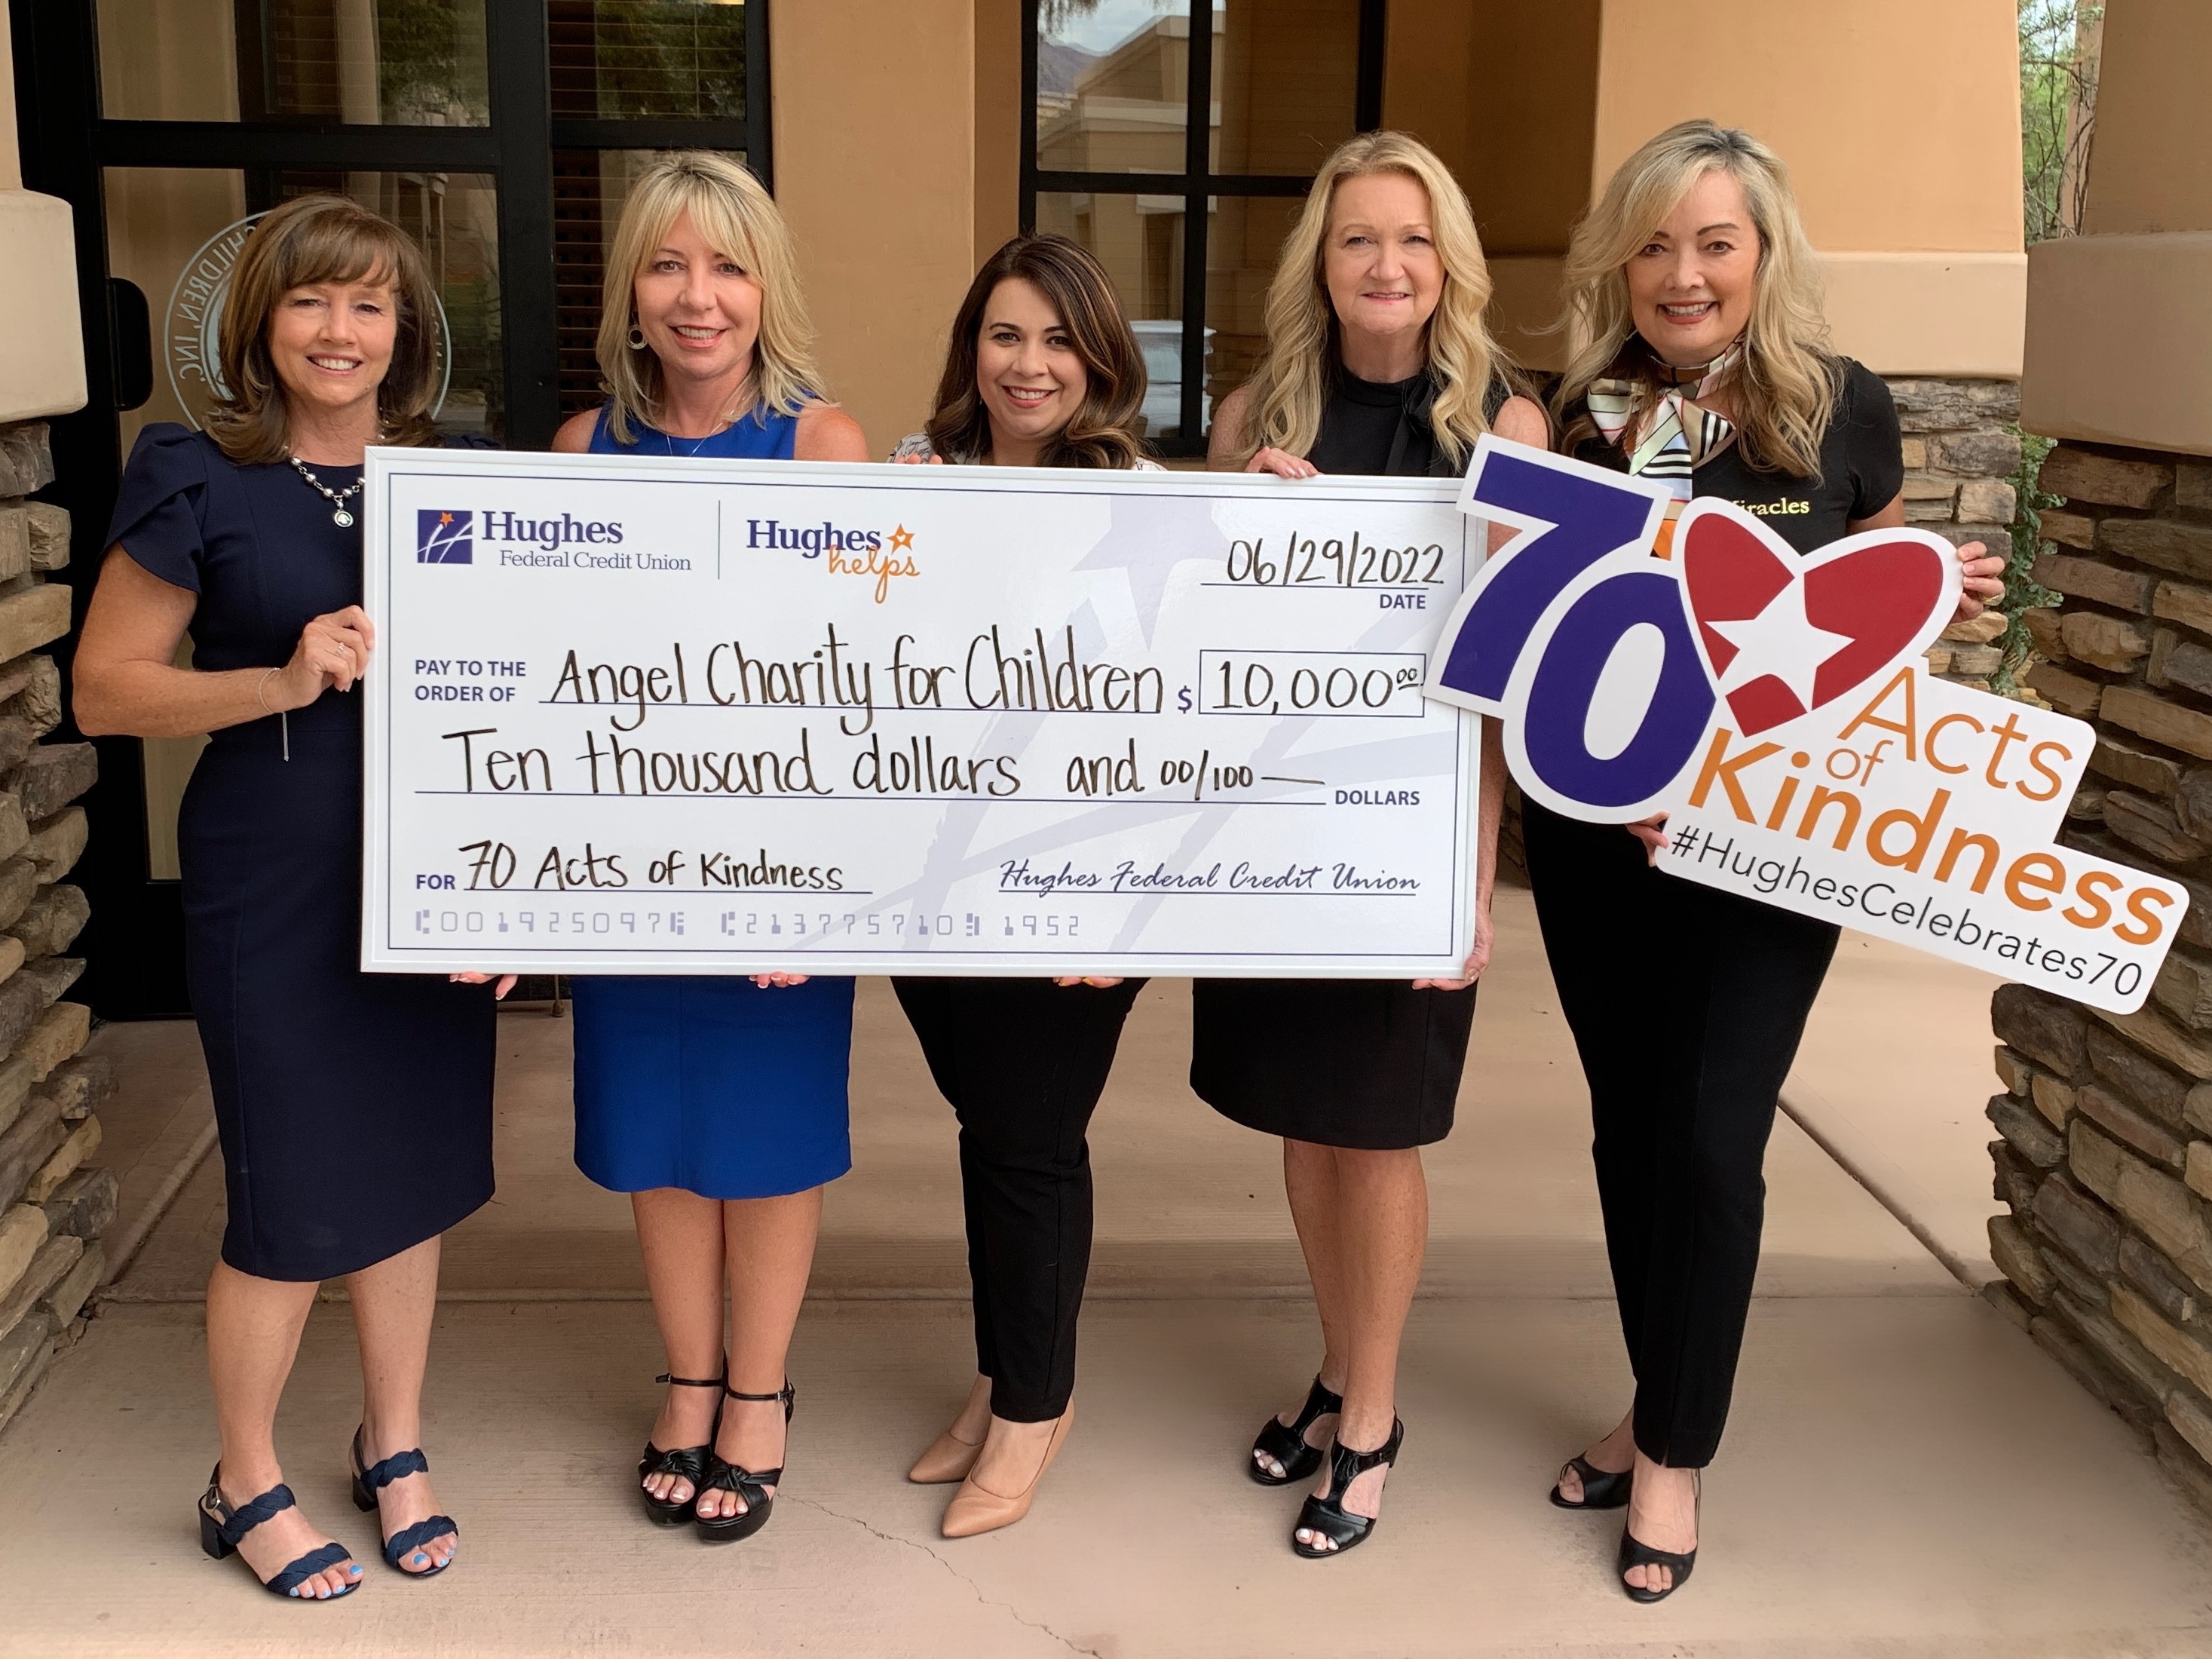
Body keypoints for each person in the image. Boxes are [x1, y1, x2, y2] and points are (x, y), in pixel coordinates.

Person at [1530, 118, 2007, 1602]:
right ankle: (1650, 1395)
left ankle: (1672, 1453)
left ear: (1762, 256)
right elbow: (1541, 626)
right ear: (1624, 256)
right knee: (1626, 1124)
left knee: (1713, 1131)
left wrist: (1937, 603)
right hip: (1603, 839)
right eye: (1658, 241)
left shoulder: (1835, 407)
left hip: (1771, 845)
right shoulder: (1586, 411)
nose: (1684, 272)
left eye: (1714, 241)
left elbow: (1875, 615)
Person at [75, 195, 506, 1599]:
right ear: (264, 322)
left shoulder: (462, 489)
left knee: (413, 1172)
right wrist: (278, 676)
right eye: (314, 301)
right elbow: (103, 689)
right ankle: (244, 1474)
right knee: (285, 1185)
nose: (341, 330)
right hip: (274, 877)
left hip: (434, 881)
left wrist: (515, 900)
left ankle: (396, 1440)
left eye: (370, 304)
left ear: (405, 331)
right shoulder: (195, 472)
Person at [1205, 131, 1545, 1559]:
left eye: (1411, 238)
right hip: (1273, 834)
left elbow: (1501, 686)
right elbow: (1195, 640)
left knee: (1381, 1131)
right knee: (1304, 1122)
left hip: (1405, 842)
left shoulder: (1505, 434)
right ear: (1321, 260)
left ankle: (1373, 1420)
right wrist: (1257, 545)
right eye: (1356, 239)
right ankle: (1336, 1363)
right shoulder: (1247, 418)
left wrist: (1469, 882)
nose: (1385, 264)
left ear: (1446, 260)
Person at [547, 152, 869, 1544]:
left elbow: (871, 678)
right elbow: (537, 670)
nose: (698, 296)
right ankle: (686, 1379)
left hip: (779, 865)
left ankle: (760, 1394)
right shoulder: (579, 450)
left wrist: (817, 892)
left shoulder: (822, 446)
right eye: (669, 264)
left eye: (727, 266)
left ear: (765, 289)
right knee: (658, 1139)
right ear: (630, 286)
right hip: (629, 860)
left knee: (768, 1135)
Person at [885, 233, 1160, 1538]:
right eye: (1006, 335)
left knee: (1032, 1140)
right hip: (934, 879)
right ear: (972, 348)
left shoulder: (1149, 503)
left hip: (1073, 890)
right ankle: (1004, 1378)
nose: (1030, 364)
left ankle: (1035, 1412)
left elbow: (1188, 718)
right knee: (989, 1128)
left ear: (1099, 357)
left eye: (1058, 339)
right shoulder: (915, 478)